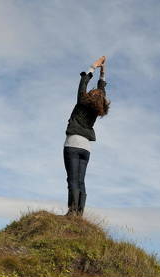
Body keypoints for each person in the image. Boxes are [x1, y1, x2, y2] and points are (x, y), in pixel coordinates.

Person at [63, 56, 110, 217]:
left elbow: (83, 83)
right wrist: (102, 73)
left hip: (73, 144)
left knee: (72, 179)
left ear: (90, 95)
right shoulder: (97, 110)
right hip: (86, 148)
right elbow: (102, 92)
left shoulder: (82, 101)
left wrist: (93, 66)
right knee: (81, 180)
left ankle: (72, 211)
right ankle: (79, 214)